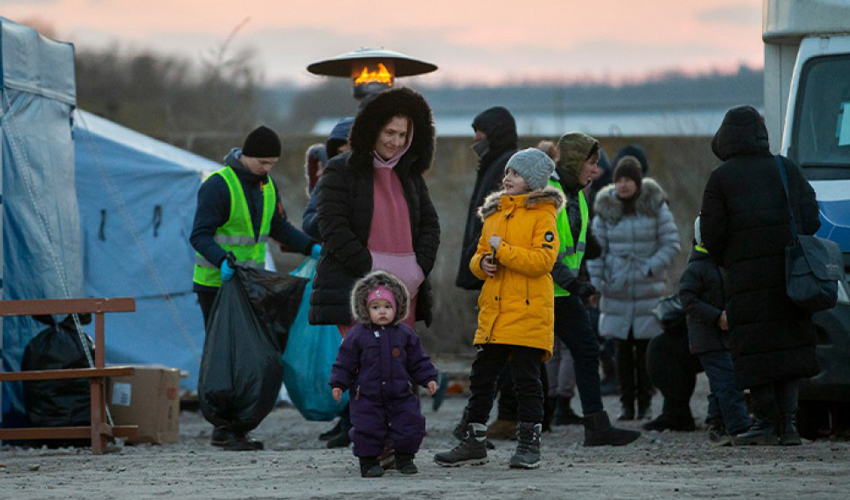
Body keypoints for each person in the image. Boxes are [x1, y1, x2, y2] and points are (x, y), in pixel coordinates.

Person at [309, 87, 440, 448]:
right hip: (358, 289)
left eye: (403, 135)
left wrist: (418, 269)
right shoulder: (340, 170)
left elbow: (430, 225)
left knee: (401, 368)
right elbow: (331, 227)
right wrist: (370, 270)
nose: (396, 142)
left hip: (406, 290)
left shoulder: (410, 174)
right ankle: (373, 443)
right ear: (372, 129)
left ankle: (400, 442)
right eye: (389, 133)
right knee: (368, 368)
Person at [190, 125, 320, 451]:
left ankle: (236, 426)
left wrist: (311, 247)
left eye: (271, 163)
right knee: (227, 358)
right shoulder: (218, 185)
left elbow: (279, 228)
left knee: (252, 359)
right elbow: (199, 234)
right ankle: (224, 428)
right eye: (262, 162)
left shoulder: (267, 186)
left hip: (250, 286)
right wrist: (221, 260)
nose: (266, 168)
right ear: (245, 155)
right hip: (216, 286)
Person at [434, 148, 563, 469]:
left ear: (532, 180)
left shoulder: (544, 214)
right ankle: (474, 441)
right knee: (482, 377)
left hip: (528, 313)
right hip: (495, 313)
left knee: (526, 381)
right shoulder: (494, 214)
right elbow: (478, 255)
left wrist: (502, 252)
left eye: (515, 174)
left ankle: (529, 444)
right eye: (507, 172)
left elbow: (543, 261)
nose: (507, 178)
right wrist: (482, 264)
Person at [700, 105, 820, 446]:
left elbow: (711, 234)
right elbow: (812, 217)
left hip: (745, 280)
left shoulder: (721, 178)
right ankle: (790, 426)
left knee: (756, 348)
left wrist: (731, 260)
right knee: (789, 345)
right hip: (790, 276)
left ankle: (765, 423)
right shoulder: (785, 168)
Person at [549, 133, 641, 446]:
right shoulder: (551, 194)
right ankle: (477, 426)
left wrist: (597, 250)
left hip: (563, 293)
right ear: (575, 161)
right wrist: (576, 283)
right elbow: (546, 252)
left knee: (587, 350)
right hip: (541, 291)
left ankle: (596, 425)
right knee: (512, 357)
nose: (596, 169)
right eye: (591, 162)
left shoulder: (577, 195)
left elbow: (580, 241)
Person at [588, 155, 681, 421]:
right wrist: (597, 284)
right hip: (615, 287)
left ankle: (645, 402)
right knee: (620, 351)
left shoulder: (655, 206)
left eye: (628, 179)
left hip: (647, 288)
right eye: (619, 179)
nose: (623, 184)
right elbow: (596, 252)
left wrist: (651, 267)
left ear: (638, 182)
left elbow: (671, 244)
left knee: (645, 351)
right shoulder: (605, 209)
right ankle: (626, 404)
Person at [329, 270, 438, 478]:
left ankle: (404, 458)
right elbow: (345, 362)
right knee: (367, 429)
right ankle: (368, 462)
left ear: (397, 308)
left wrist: (428, 378)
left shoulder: (404, 334)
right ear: (365, 308)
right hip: (367, 396)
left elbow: (418, 360)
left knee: (410, 425)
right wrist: (338, 384)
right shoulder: (357, 335)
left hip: (400, 394)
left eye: (387, 307)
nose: (382, 312)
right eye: (376, 307)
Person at [677, 216, 752, 443]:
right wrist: (716, 316)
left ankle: (717, 422)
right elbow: (688, 300)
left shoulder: (724, 265)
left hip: (725, 337)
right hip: (708, 339)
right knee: (728, 383)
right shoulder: (696, 269)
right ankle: (740, 426)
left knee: (723, 382)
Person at [303, 117, 353, 240]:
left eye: (350, 153)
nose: (344, 159)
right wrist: (328, 212)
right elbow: (308, 223)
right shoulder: (328, 180)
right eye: (340, 153)